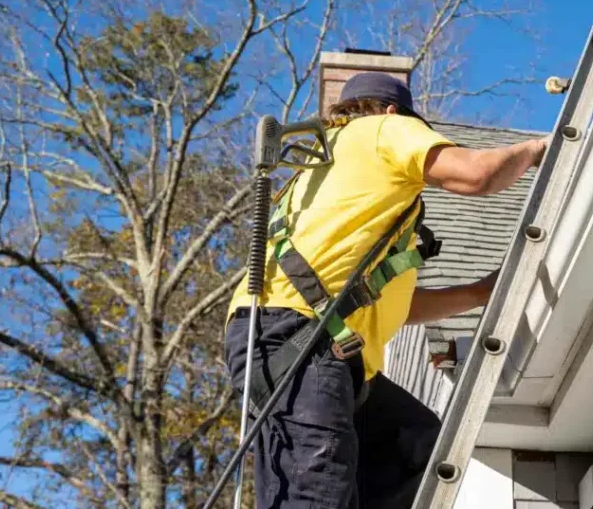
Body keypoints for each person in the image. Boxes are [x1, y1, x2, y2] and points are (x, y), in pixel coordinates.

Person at [223, 71, 547, 508]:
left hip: (305, 343)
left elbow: (393, 304)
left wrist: (478, 293)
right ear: (394, 111)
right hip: (299, 341)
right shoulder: (381, 129)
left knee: (414, 445)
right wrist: (537, 148)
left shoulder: (326, 170)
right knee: (317, 495)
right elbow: (477, 175)